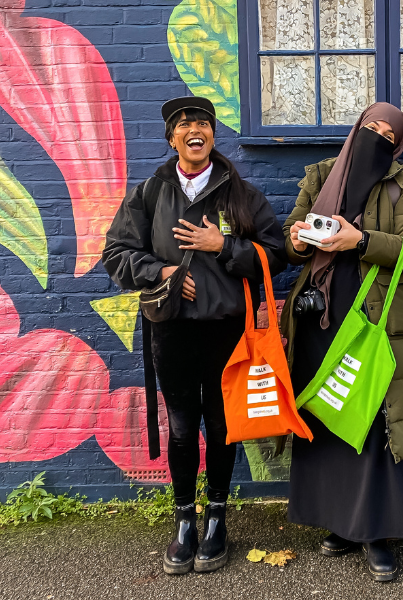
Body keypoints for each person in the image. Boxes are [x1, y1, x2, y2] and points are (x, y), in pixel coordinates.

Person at [102, 97, 287, 575]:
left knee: (222, 428)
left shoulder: (240, 195)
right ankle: (184, 519)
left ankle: (217, 518)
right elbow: (117, 254)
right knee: (183, 428)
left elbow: (277, 253)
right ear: (172, 139)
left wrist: (223, 245)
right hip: (171, 331)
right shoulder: (148, 194)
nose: (194, 130)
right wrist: (160, 270)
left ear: (211, 136)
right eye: (184, 125)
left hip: (228, 331)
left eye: (202, 123)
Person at [281, 103, 403, 582]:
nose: (378, 138)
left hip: (375, 322)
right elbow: (290, 237)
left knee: (369, 421)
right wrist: (301, 240)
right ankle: (340, 523)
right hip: (319, 321)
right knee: (327, 416)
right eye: (371, 129)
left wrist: (361, 241)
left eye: (389, 134)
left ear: (399, 144)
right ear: (356, 128)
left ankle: (375, 531)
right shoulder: (322, 174)